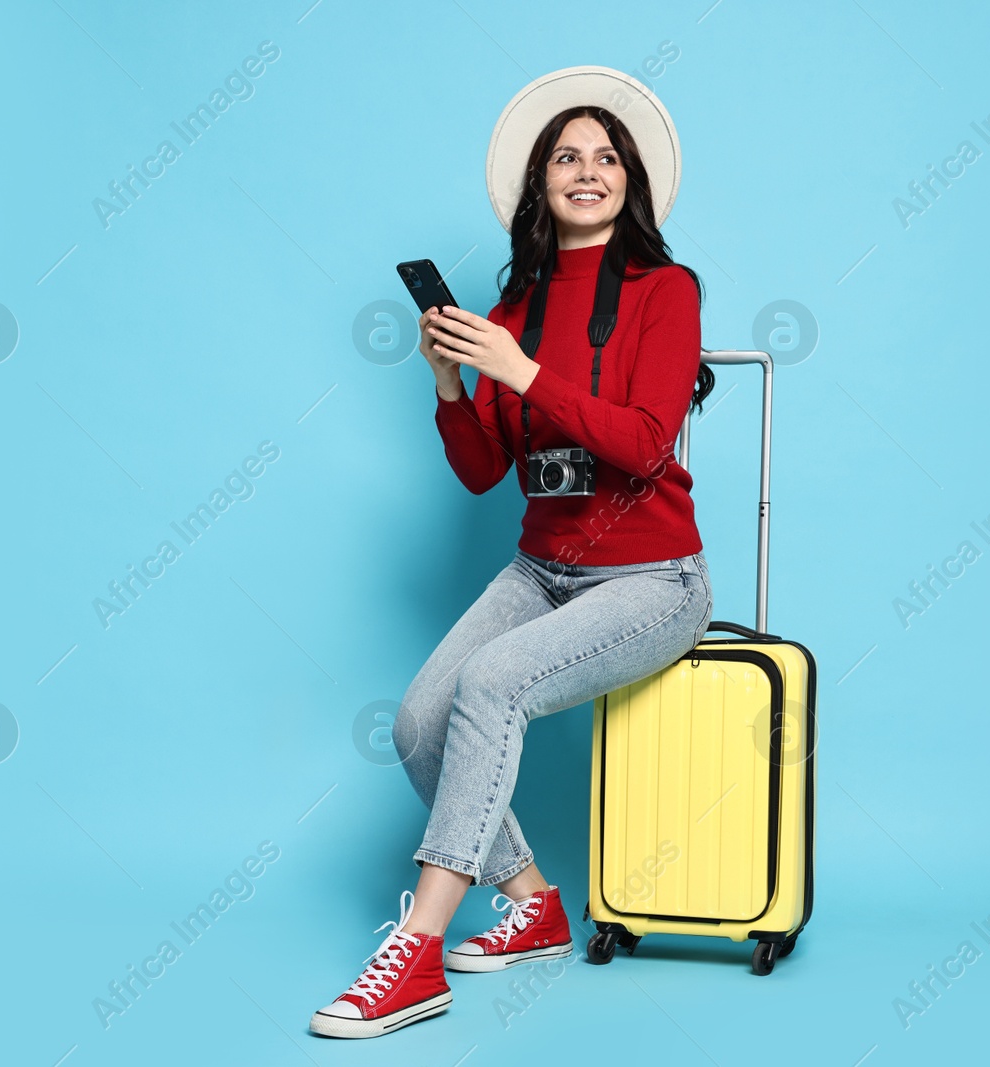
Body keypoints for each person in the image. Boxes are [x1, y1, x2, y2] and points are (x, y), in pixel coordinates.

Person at [310, 66, 714, 1039]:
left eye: (605, 156)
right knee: (416, 723)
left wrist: (521, 371)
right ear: (538, 184)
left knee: (489, 684)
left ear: (632, 180)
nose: (586, 170)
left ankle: (414, 952)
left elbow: (644, 444)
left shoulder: (665, 291)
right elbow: (484, 473)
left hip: (652, 577)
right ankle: (531, 904)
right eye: (566, 156)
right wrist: (453, 383)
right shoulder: (511, 309)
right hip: (542, 570)